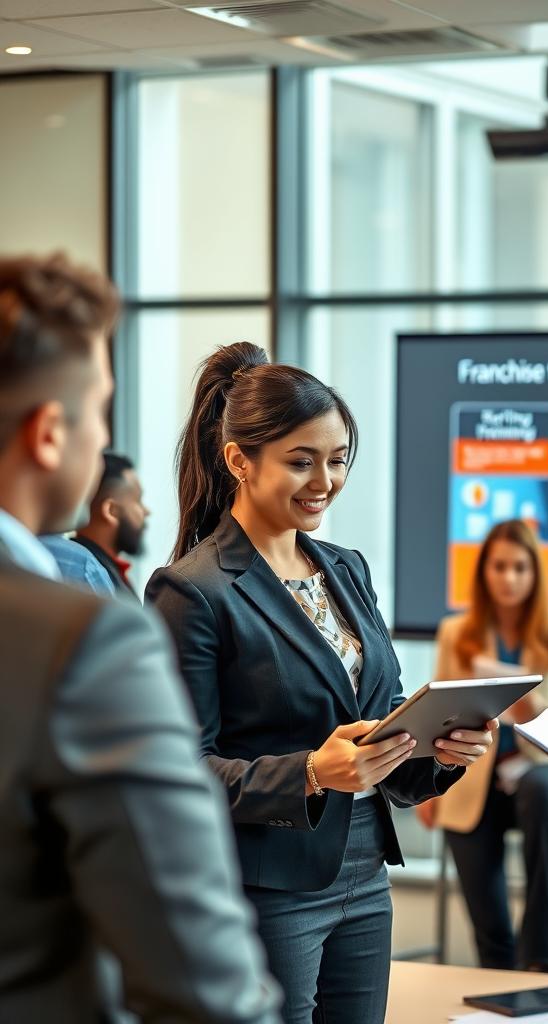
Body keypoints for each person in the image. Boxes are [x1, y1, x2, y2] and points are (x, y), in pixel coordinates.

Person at [145, 341, 493, 1024]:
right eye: (301, 462)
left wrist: (440, 752)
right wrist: (308, 772)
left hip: (365, 878)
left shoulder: (347, 568)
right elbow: (178, 774)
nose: (325, 481)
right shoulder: (193, 592)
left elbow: (382, 725)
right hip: (264, 887)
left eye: (337, 461)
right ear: (239, 460)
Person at [0, 253, 281, 1022]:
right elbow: (201, 982)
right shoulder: (81, 643)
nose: (105, 440)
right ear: (50, 434)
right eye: (100, 410)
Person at [416, 519, 548, 973]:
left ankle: (542, 960)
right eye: (499, 567)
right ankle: (497, 973)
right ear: (483, 572)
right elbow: (438, 715)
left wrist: (536, 709)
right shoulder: (456, 633)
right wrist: (428, 784)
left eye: (520, 568)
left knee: (541, 785)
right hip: (474, 777)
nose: (509, 578)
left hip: (541, 779)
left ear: (535, 574)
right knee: (488, 920)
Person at [73, 451, 149, 598]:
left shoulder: (106, 571)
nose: (146, 511)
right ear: (111, 511)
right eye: (138, 500)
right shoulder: (87, 576)